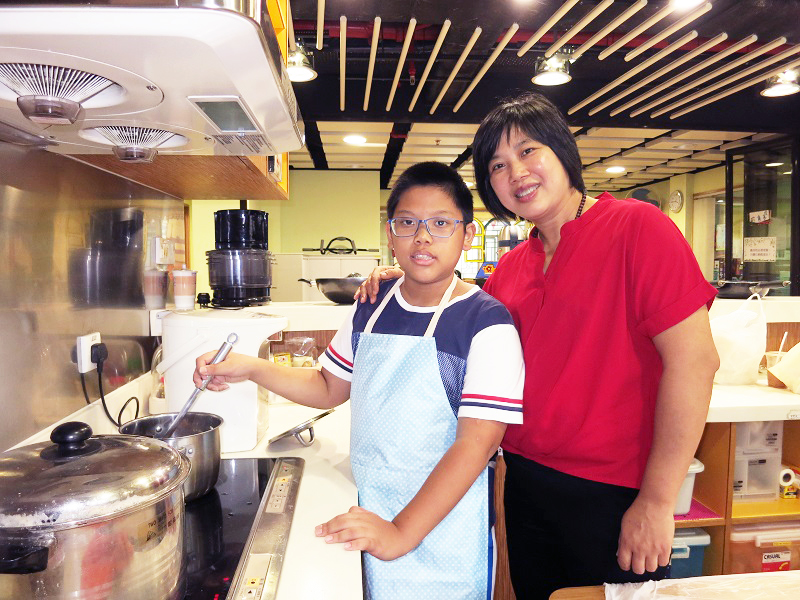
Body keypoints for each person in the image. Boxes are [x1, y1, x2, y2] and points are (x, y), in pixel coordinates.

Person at [355, 93, 720, 599]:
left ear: (563, 152)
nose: (517, 172)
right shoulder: (511, 268)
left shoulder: (639, 228)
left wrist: (657, 501)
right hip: (523, 485)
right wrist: (404, 276)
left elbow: (695, 364)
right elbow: (457, 309)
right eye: (499, 165)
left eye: (528, 151)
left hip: (614, 493)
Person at [195, 161, 525, 599]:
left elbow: (476, 445)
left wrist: (402, 532)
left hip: (437, 528)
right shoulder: (372, 304)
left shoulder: (485, 323)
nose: (422, 237)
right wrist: (250, 367)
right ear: (390, 233)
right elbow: (328, 387)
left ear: (466, 235)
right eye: (407, 222)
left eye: (441, 223)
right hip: (365, 508)